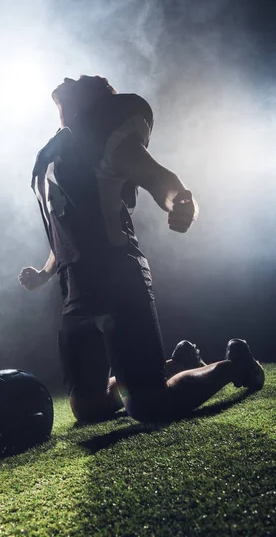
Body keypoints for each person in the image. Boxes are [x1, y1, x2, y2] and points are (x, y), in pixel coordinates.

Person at [19, 75, 264, 423]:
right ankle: (179, 365)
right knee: (88, 408)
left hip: (117, 280)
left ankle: (236, 365)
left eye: (84, 78)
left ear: (95, 98)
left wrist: (179, 201)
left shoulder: (103, 134)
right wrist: (45, 274)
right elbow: (69, 232)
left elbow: (155, 176)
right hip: (75, 288)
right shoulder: (55, 152)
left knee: (149, 405)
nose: (69, 77)